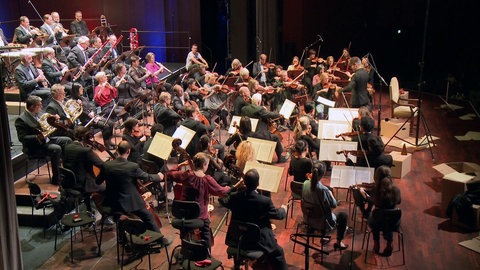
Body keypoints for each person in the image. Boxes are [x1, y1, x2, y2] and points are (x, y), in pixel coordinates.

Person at [96, 141, 170, 244]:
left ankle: (122, 240)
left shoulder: (107, 165)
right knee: (148, 217)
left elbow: (98, 181)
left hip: (113, 203)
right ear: (129, 151)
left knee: (119, 218)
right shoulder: (132, 166)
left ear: (117, 150)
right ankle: (160, 240)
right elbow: (147, 177)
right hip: (130, 202)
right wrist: (159, 176)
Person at [219, 168, 288, 270]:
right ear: (258, 183)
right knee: (278, 252)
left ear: (244, 182)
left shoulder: (236, 197)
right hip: (256, 241)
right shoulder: (264, 201)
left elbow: (222, 199)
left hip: (237, 238)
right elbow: (278, 215)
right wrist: (284, 209)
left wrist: (236, 186)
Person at [168, 152, 230, 249]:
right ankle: (206, 253)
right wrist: (228, 188)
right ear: (204, 165)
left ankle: (185, 249)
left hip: (183, 215)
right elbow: (221, 192)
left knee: (185, 227)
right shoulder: (207, 180)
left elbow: (170, 174)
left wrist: (181, 165)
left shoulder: (186, 175)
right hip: (200, 216)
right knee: (206, 232)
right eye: (208, 164)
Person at [15, 95, 72, 184]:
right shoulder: (21, 119)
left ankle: (67, 171)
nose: (41, 107)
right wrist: (37, 137)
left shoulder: (40, 113)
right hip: (35, 147)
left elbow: (46, 123)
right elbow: (22, 138)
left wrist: (53, 119)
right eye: (39, 105)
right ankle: (56, 178)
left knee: (67, 140)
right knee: (56, 149)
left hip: (47, 139)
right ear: (32, 107)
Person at [302, 162, 349, 251]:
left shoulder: (305, 183)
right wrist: (330, 193)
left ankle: (325, 236)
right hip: (323, 222)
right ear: (323, 174)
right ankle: (339, 242)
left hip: (308, 218)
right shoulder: (323, 190)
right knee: (343, 216)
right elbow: (334, 204)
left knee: (322, 210)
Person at [359, 166, 401, 256]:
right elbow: (399, 201)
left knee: (375, 217)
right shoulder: (396, 190)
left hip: (377, 221)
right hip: (393, 222)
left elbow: (370, 201)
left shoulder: (376, 190)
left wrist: (363, 193)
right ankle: (389, 243)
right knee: (388, 219)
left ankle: (376, 243)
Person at [63, 126, 105, 213]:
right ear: (84, 137)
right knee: (108, 188)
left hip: (68, 181)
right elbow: (102, 165)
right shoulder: (85, 151)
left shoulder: (67, 147)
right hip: (83, 184)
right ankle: (106, 216)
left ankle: (90, 208)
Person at [241, 93, 289, 163]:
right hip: (257, 134)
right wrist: (279, 114)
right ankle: (281, 157)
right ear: (259, 102)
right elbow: (270, 114)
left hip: (247, 132)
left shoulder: (244, 109)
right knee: (275, 137)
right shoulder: (259, 109)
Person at [70, 83, 115, 149]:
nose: (82, 89)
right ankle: (106, 144)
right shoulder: (74, 101)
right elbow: (79, 112)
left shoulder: (83, 97)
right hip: (86, 120)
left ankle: (109, 141)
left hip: (93, 116)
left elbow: (91, 106)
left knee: (111, 123)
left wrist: (93, 113)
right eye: (81, 88)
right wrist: (87, 113)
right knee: (105, 126)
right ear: (77, 90)